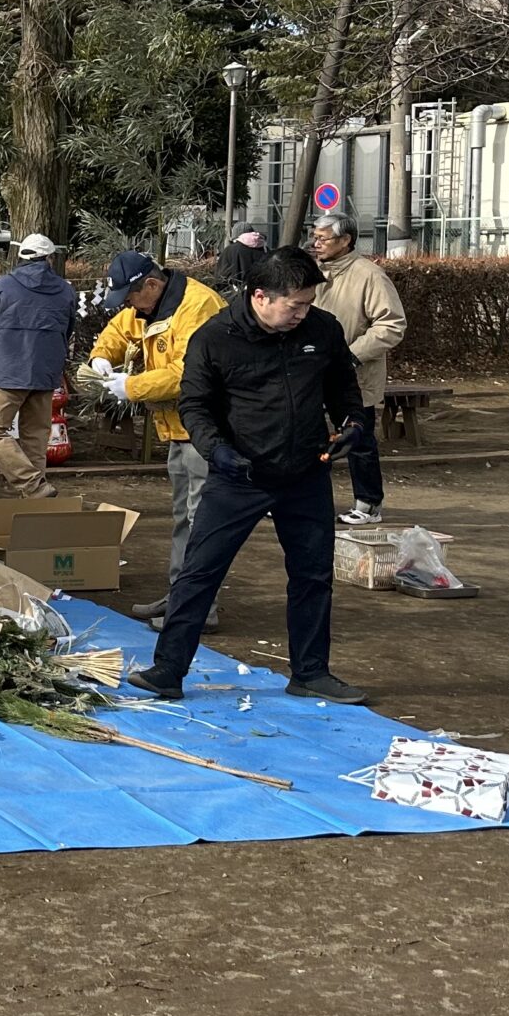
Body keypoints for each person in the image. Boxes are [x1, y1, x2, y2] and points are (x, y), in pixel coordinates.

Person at [130, 245, 373, 704]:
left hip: (305, 472)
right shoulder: (215, 337)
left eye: (307, 303)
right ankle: (167, 670)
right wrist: (217, 451)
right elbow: (195, 405)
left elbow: (343, 387)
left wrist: (354, 425)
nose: (303, 313)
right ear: (260, 296)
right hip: (237, 473)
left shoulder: (322, 330)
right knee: (200, 571)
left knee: (312, 574)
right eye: (294, 305)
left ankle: (310, 671)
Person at [88, 248, 229, 628]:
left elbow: (190, 374)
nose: (130, 306)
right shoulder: (152, 306)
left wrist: (131, 386)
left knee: (203, 522)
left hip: (208, 430)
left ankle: (198, 610)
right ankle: (180, 596)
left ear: (151, 284)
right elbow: (119, 329)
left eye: (132, 297)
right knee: (186, 518)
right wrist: (103, 356)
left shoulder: (198, 307)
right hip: (180, 430)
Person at [309, 215, 406, 525]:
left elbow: (392, 324)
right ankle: (298, 497)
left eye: (323, 238)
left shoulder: (370, 275)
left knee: (359, 441)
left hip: (355, 375)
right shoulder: (312, 272)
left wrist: (353, 355)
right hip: (311, 372)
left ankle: (368, 504)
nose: (316, 243)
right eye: (315, 236)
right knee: (305, 434)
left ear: (346, 240)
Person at [0, 230, 74, 497]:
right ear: (49, 258)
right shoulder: (66, 290)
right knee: (35, 439)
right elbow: (68, 329)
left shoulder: (3, 286)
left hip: (8, 370)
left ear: (20, 256)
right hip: (46, 372)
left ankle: (31, 485)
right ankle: (35, 504)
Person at [205, 227, 270, 301]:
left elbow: (221, 277)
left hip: (236, 297)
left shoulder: (230, 250)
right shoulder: (265, 249)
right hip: (262, 296)